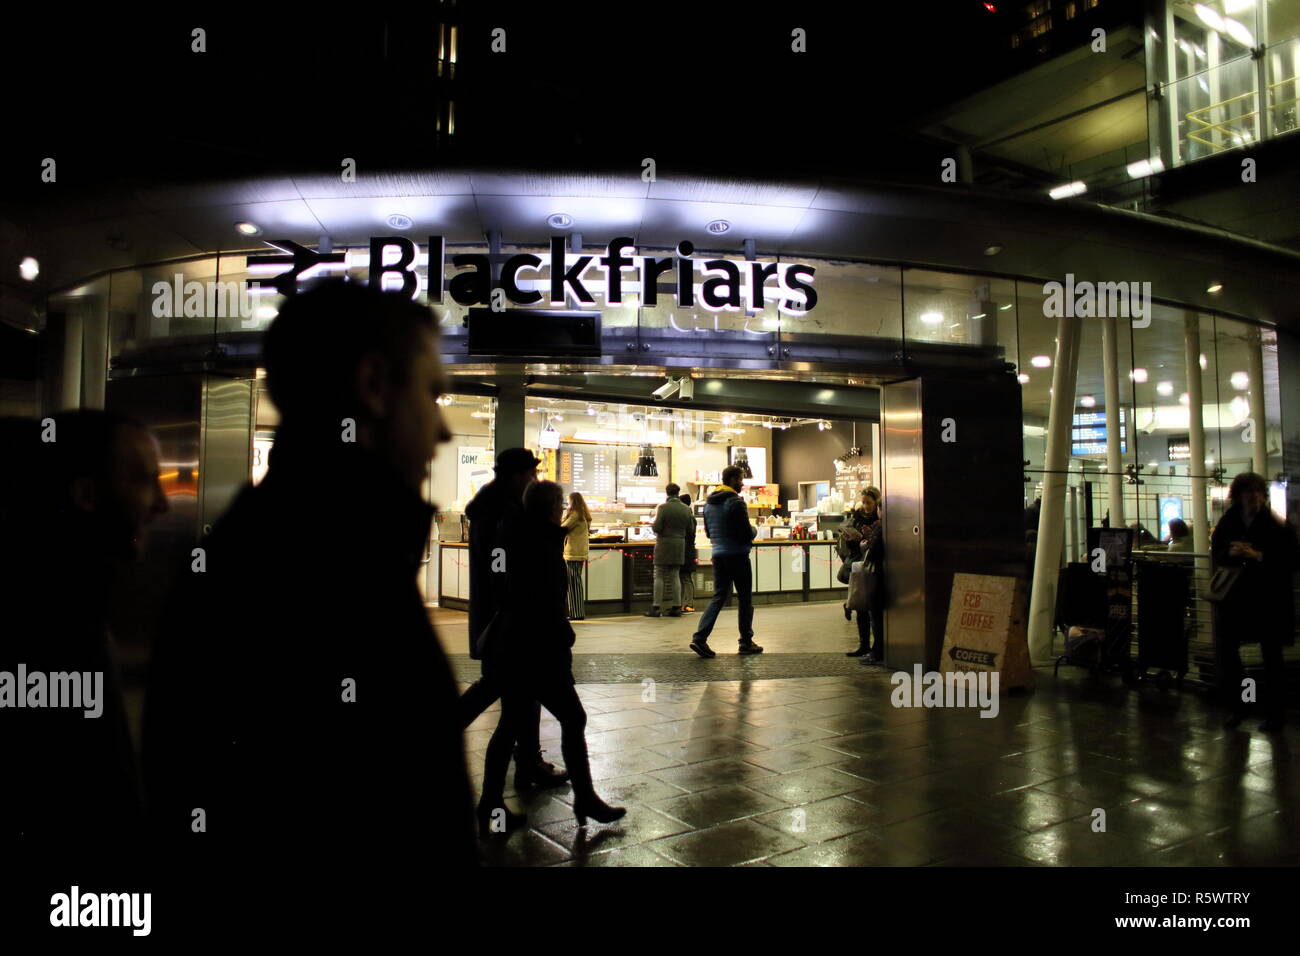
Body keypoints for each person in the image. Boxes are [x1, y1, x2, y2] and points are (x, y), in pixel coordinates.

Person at [143, 280, 477, 876]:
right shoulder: (320, 569)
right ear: (375, 386)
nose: (445, 430)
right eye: (433, 393)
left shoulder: (308, 544)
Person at [1, 411, 168, 846]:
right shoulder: (52, 630)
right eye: (146, 481)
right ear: (87, 494)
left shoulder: (76, 609)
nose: (163, 503)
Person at [478, 480, 625, 833]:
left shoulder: (513, 532)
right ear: (552, 506)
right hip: (539, 648)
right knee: (571, 718)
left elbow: (503, 586)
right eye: (559, 502)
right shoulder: (541, 540)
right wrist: (561, 631)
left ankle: (490, 803)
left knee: (510, 724)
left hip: (514, 644)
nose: (562, 508)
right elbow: (545, 596)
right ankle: (585, 798)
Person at [459, 448, 568, 790]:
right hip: (508, 620)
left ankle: (526, 763)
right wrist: (512, 599)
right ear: (517, 476)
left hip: (503, 618)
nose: (534, 479)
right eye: (531, 474)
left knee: (507, 693)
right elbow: (499, 567)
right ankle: (526, 765)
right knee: (507, 692)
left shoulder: (494, 508)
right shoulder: (499, 513)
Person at [1211, 472, 1298, 733]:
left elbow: (1293, 559)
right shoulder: (1231, 522)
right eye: (1248, 492)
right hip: (1238, 600)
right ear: (1238, 496)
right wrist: (1231, 552)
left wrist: (1258, 555)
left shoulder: (1276, 524)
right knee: (1232, 654)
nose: (1254, 497)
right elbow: (1218, 551)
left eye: (1258, 492)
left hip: (1267, 601)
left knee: (1272, 658)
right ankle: (1241, 706)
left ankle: (1273, 714)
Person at [689, 465, 763, 657]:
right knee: (745, 598)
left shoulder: (708, 504)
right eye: (740, 479)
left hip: (718, 554)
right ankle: (745, 641)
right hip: (738, 555)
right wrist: (754, 531)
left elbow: (707, 532)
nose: (742, 483)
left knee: (719, 596)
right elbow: (745, 533)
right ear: (731, 480)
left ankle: (700, 638)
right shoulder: (736, 502)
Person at [845, 487, 886, 661]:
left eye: (869, 503)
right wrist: (853, 541)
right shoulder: (858, 517)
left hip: (871, 567)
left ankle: (876, 650)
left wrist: (865, 544)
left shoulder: (880, 522)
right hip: (861, 564)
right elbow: (853, 547)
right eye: (864, 502)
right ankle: (865, 645)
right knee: (862, 605)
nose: (866, 506)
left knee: (871, 608)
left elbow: (875, 547)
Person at [645, 483, 693, 618]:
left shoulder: (663, 508)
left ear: (667, 493)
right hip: (679, 544)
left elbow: (656, 527)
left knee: (659, 574)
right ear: (678, 493)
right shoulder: (686, 509)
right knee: (675, 574)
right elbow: (690, 529)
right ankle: (677, 607)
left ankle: (656, 607)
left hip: (664, 544)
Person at [562, 491, 591, 620]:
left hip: (573, 553)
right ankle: (577, 612)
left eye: (569, 500)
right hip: (580, 552)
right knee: (576, 582)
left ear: (572, 501)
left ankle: (576, 613)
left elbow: (562, 528)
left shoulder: (574, 515)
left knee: (573, 583)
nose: (568, 503)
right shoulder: (583, 514)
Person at [678, 493, 698, 612]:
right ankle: (684, 603)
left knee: (685, 577)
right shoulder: (689, 516)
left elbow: (689, 535)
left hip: (686, 551)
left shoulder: (688, 517)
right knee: (684, 577)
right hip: (688, 550)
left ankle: (688, 603)